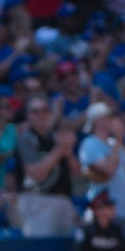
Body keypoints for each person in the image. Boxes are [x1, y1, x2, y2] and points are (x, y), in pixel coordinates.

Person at [16, 96, 80, 237]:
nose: (41, 114)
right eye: (35, 111)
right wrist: (59, 149)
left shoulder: (56, 138)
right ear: (28, 116)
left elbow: (77, 172)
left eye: (45, 110)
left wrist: (68, 151)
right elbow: (35, 174)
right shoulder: (27, 139)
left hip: (63, 200)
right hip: (37, 201)